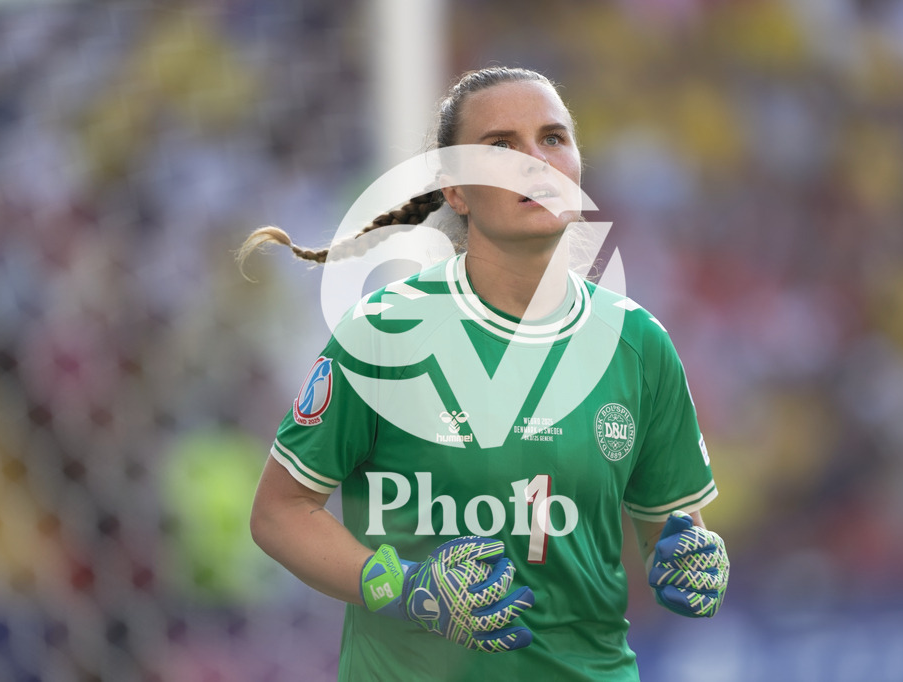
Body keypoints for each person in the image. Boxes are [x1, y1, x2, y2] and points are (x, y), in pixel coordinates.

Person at [242, 66, 729, 682]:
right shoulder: (386, 334)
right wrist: (408, 588)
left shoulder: (638, 343)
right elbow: (280, 514)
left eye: (553, 138)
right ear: (456, 191)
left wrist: (695, 561)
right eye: (501, 147)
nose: (536, 162)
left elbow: (671, 534)